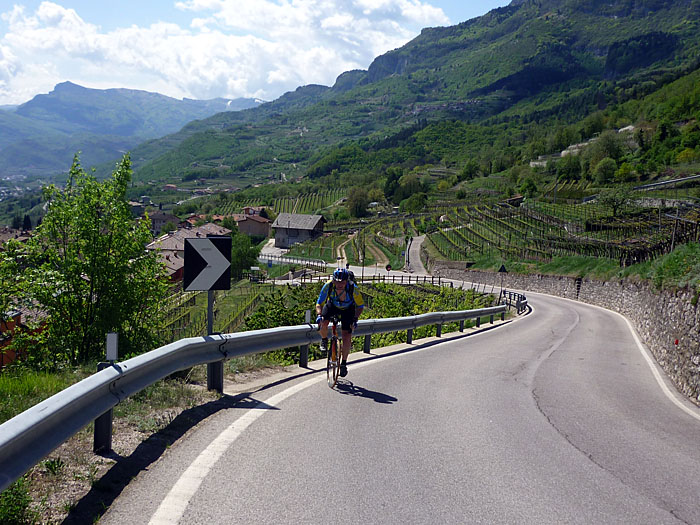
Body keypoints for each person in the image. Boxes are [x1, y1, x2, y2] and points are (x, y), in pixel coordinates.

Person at [316, 267, 364, 377]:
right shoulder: (328, 286)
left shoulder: (353, 288)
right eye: (337, 282)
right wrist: (319, 315)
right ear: (333, 280)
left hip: (348, 309)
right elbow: (319, 303)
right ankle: (324, 340)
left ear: (347, 281)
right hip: (332, 305)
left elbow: (360, 306)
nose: (339, 284)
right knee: (323, 322)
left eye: (342, 282)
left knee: (347, 335)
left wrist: (355, 318)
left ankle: (343, 363)